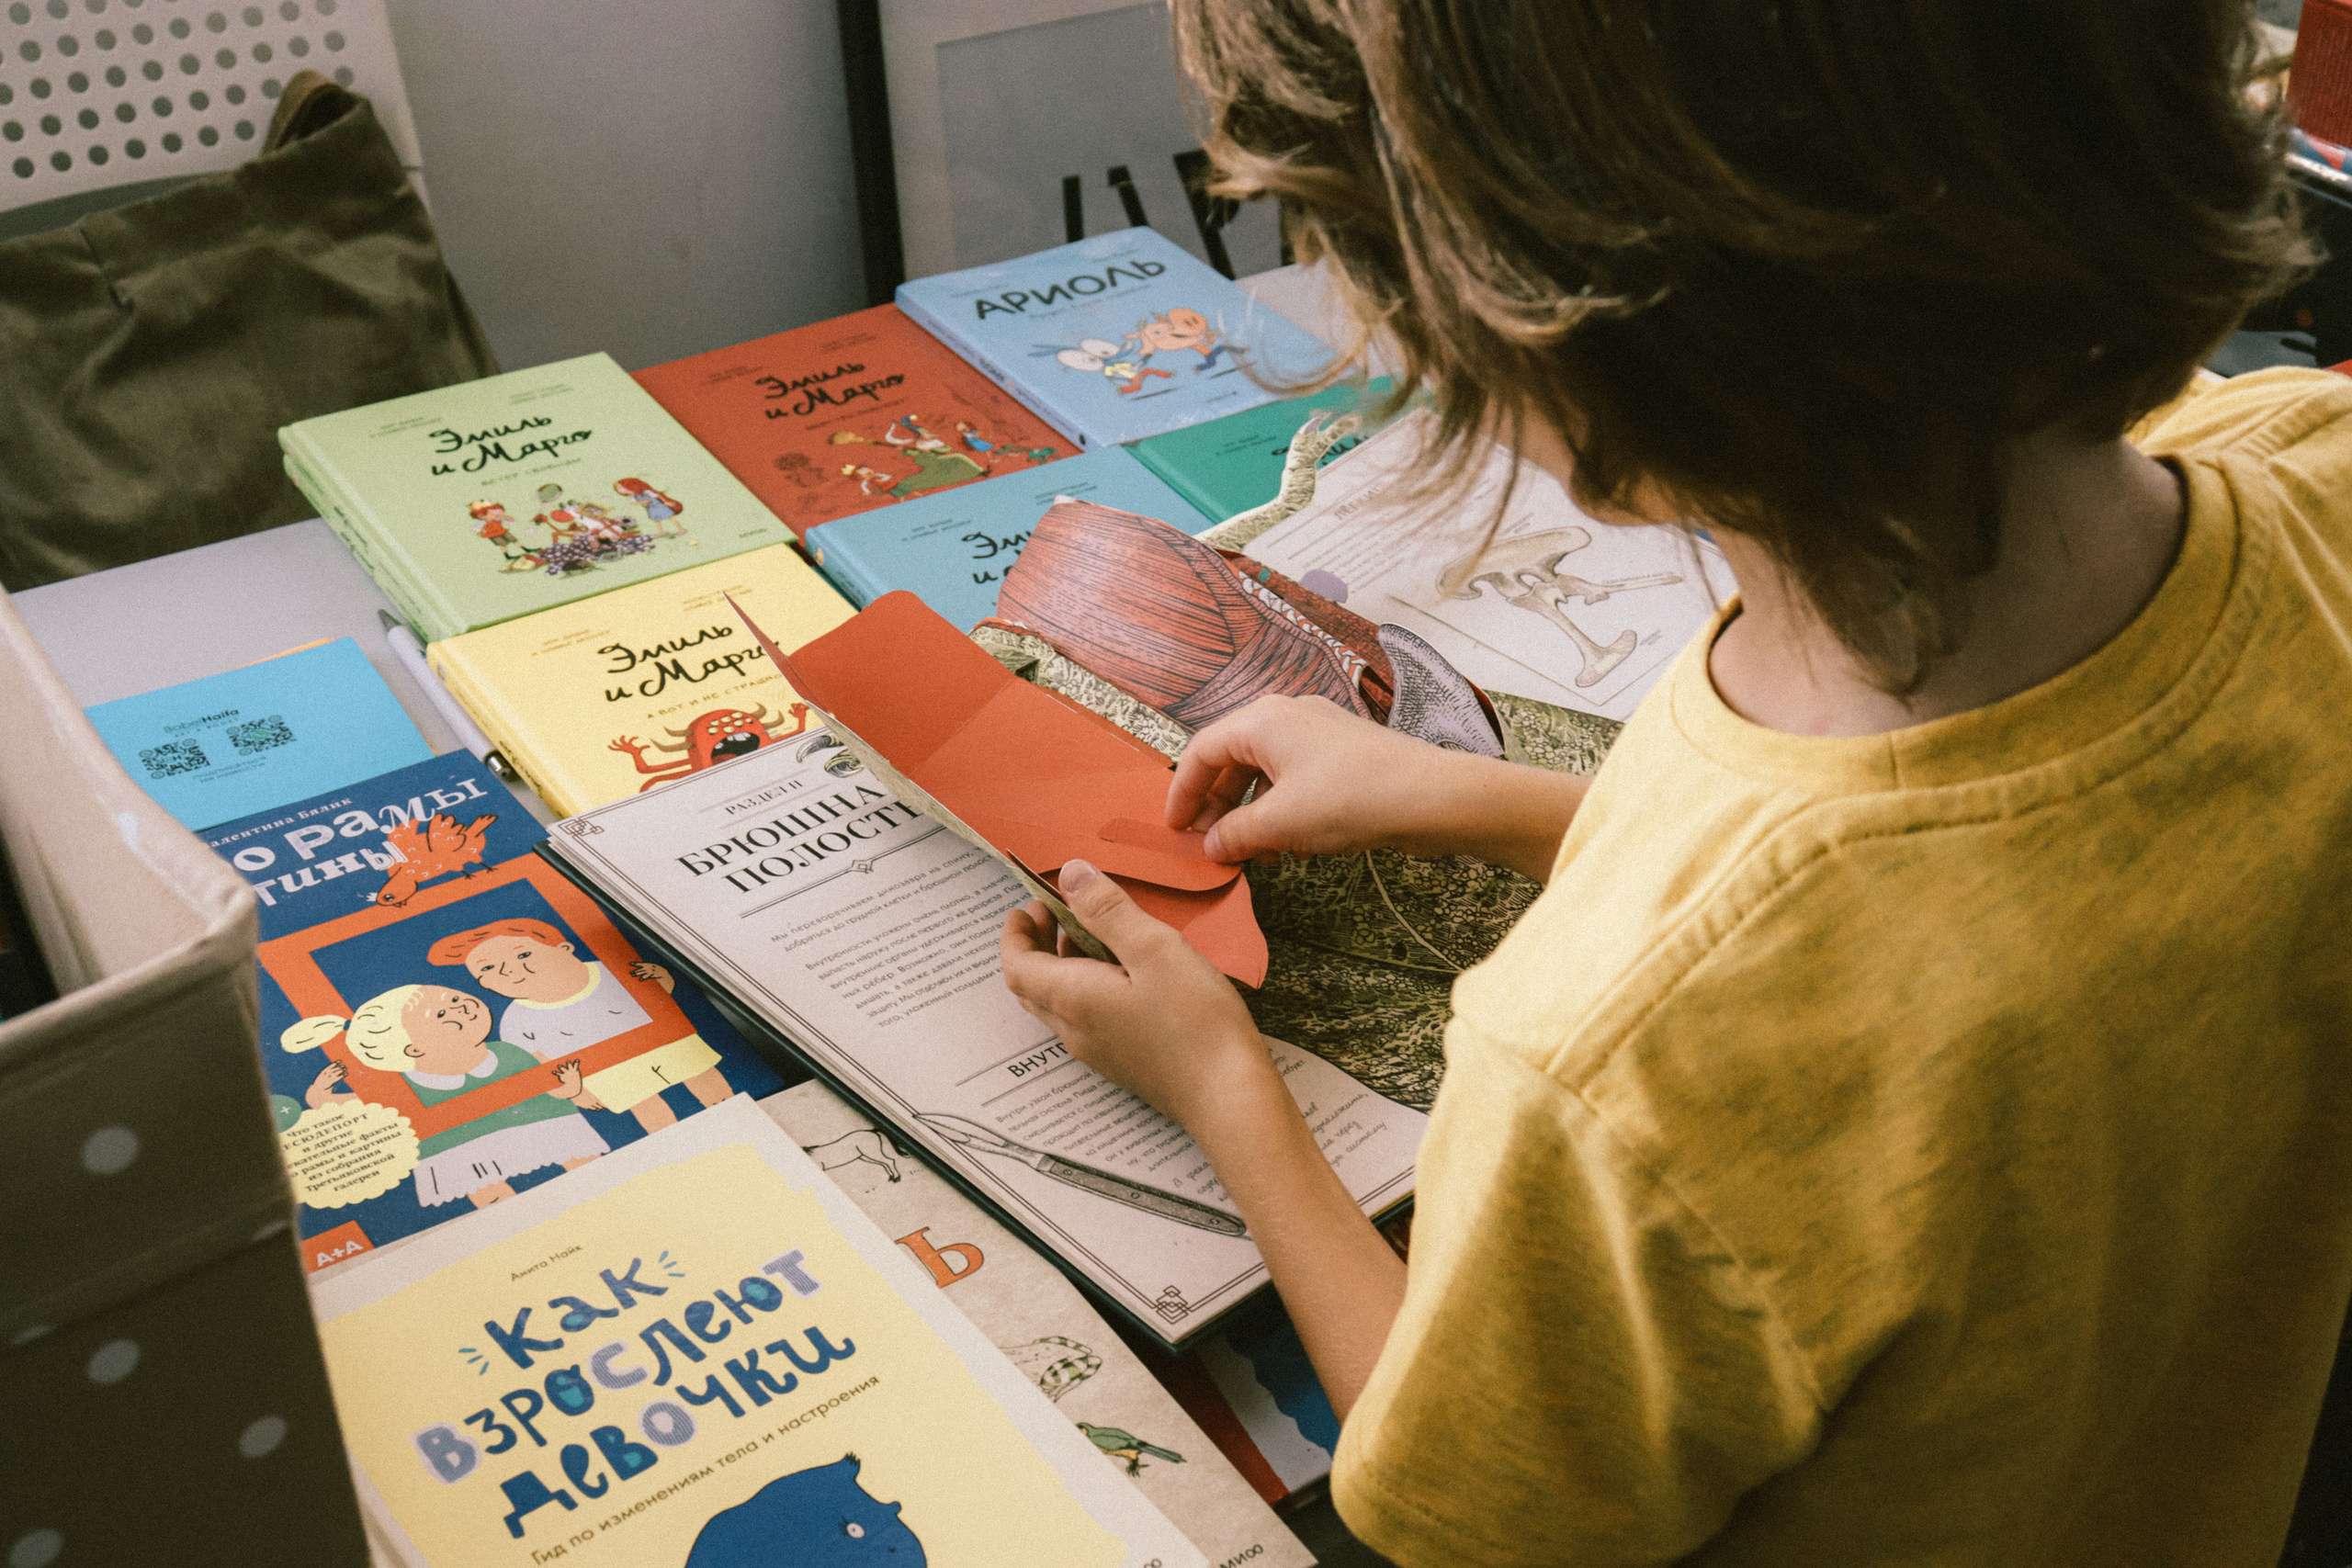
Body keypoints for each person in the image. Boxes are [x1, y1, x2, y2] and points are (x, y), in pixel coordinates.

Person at [997, 0, 2352, 1561]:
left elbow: (1456, 1512)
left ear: (1542, 342)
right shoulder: (2310, 465)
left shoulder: (1620, 1064)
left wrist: (1226, 1089)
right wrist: (1484, 801)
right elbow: (1975, 895)